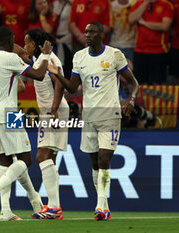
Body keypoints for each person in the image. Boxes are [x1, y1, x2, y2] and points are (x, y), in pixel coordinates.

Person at [47, 21, 139, 221]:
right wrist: (57, 75)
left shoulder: (114, 55)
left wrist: (131, 100)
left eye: (91, 32)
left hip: (110, 115)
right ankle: (104, 206)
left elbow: (133, 82)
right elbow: (72, 87)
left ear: (101, 34)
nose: (86, 35)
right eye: (86, 31)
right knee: (94, 162)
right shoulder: (79, 56)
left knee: (104, 159)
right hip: (88, 117)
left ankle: (100, 206)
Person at [0, 26, 52, 219]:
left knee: (6, 162)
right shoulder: (11, 59)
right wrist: (46, 55)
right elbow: (39, 74)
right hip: (9, 113)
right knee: (26, 159)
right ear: (10, 40)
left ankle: (6, 210)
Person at [22, 28, 68, 219]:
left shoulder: (49, 59)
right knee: (50, 158)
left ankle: (54, 206)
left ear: (34, 44)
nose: (25, 47)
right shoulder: (39, 59)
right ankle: (54, 207)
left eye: (27, 42)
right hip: (51, 111)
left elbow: (59, 83)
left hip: (53, 111)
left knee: (42, 156)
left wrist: (55, 110)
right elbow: (18, 53)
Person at [128, 0, 174, 84]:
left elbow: (165, 26)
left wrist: (144, 23)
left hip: (159, 51)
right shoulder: (139, 3)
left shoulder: (166, 5)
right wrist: (145, 3)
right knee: (139, 83)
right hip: (140, 50)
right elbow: (131, 19)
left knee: (158, 84)